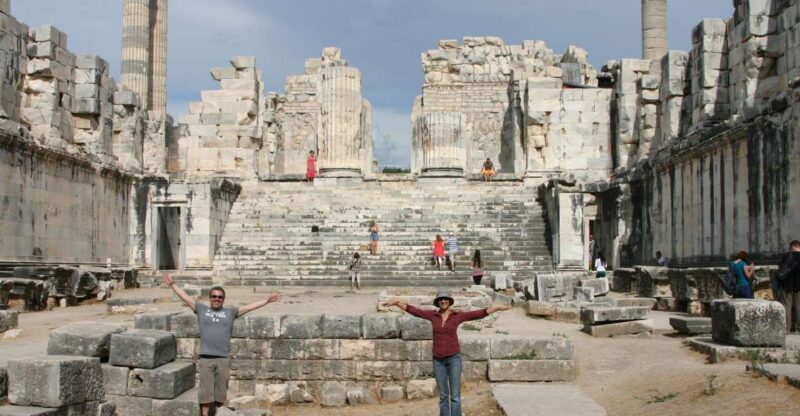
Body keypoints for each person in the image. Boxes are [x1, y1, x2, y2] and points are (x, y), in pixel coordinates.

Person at [161, 272, 281, 416]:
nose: (217, 299)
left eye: (220, 297)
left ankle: (219, 413)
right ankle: (204, 415)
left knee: (221, 389)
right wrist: (173, 285)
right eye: (214, 296)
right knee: (205, 390)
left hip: (223, 357)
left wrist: (267, 300)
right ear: (210, 298)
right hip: (206, 357)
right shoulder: (201, 309)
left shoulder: (230, 312)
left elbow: (249, 307)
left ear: (223, 299)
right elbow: (185, 297)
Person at [382, 290, 511, 416]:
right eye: (440, 299)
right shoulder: (433, 315)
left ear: (450, 301)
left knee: (455, 396)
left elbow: (478, 314)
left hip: (454, 358)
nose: (443, 301)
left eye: (445, 299)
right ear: (438, 302)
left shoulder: (457, 316)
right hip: (438, 360)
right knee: (443, 395)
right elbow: (415, 311)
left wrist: (497, 308)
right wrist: (397, 302)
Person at [775, 240, 800, 332]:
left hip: (786, 285)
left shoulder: (787, 256)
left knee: (786, 306)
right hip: (799, 286)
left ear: (792, 246)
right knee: (799, 306)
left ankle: (786, 328)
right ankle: (798, 327)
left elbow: (780, 270)